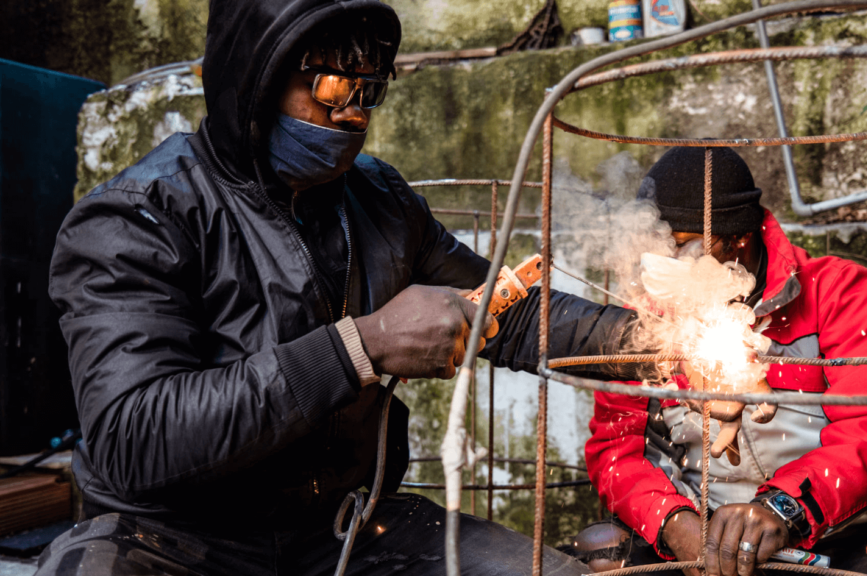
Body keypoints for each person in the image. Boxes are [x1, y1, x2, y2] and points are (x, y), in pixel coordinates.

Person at [37, 1, 638, 574]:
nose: (353, 113)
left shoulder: (380, 201)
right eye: (330, 88)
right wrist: (360, 348)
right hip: (174, 538)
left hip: (340, 528)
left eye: (368, 90)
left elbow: (505, 308)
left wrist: (647, 337)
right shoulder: (137, 217)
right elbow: (133, 436)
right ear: (254, 79)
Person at [570, 147, 867, 576]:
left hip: (853, 525)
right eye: (655, 245)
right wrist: (673, 523)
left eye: (681, 245)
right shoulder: (647, 319)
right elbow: (615, 452)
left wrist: (783, 509)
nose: (664, 263)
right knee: (595, 558)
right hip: (703, 525)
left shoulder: (842, 294)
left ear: (739, 238)